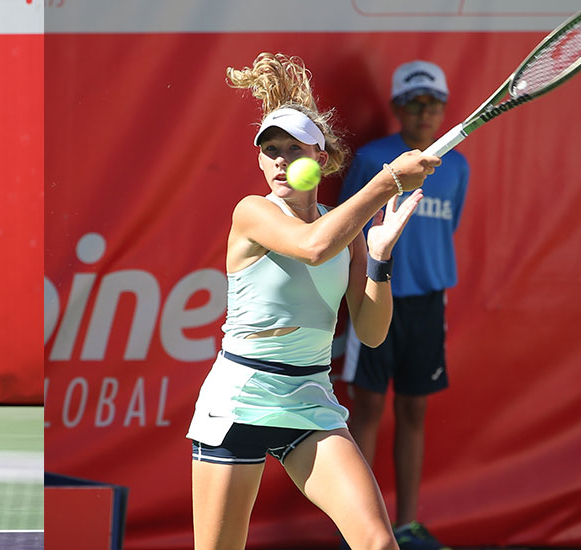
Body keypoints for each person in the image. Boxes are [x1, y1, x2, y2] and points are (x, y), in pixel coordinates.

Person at [186, 52, 440, 550]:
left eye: (293, 148)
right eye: (270, 150)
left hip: (309, 402)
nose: (279, 159)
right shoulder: (253, 211)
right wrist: (388, 180)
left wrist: (379, 258)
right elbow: (312, 246)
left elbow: (370, 331)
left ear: (320, 160)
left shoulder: (347, 234)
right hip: (239, 400)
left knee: (378, 544)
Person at [337, 60, 468, 550]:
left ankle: (407, 525)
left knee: (414, 409)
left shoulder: (458, 165)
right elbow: (348, 229)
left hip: (428, 306)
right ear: (396, 107)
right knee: (366, 408)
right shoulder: (375, 159)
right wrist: (354, 296)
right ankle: (362, 530)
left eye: (434, 103)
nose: (425, 111)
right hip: (376, 297)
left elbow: (445, 232)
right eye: (415, 102)